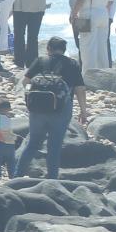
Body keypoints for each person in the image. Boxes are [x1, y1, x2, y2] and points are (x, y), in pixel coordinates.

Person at [13, 37, 88, 179]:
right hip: (61, 109)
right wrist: (83, 111)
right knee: (54, 147)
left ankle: (17, 177)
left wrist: (29, 95)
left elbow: (25, 82)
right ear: (64, 50)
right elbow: (80, 89)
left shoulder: (41, 61)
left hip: (37, 109)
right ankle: (52, 180)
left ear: (48, 49)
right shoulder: (72, 64)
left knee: (32, 144)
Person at [72, 0, 114, 71]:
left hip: (88, 15)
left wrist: (73, 14)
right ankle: (103, 74)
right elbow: (110, 1)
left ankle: (87, 76)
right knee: (102, 49)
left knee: (87, 48)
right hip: (103, 14)